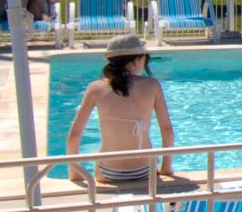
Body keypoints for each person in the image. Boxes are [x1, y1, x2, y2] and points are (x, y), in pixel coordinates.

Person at [63, 33, 179, 190]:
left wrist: (74, 174)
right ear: (136, 60)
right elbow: (167, 130)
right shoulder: (152, 85)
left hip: (107, 170)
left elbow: (74, 135)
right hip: (144, 169)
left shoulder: (95, 88)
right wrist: (166, 169)